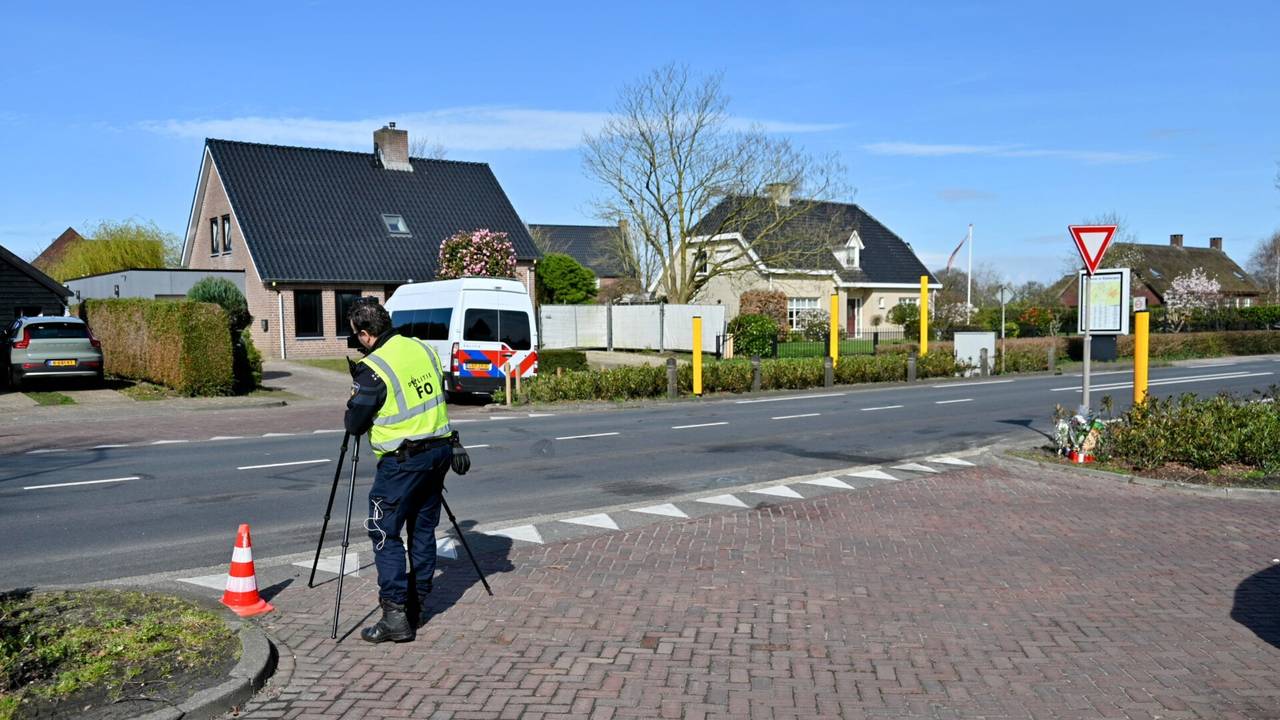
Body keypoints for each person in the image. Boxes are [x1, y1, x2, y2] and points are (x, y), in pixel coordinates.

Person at [344, 297, 459, 643]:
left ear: (365, 335)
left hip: (402, 462)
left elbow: (355, 423)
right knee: (422, 531)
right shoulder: (422, 349)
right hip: (439, 453)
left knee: (384, 531)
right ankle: (416, 606)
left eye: (356, 336)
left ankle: (394, 615)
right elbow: (436, 396)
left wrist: (354, 398)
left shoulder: (374, 368)